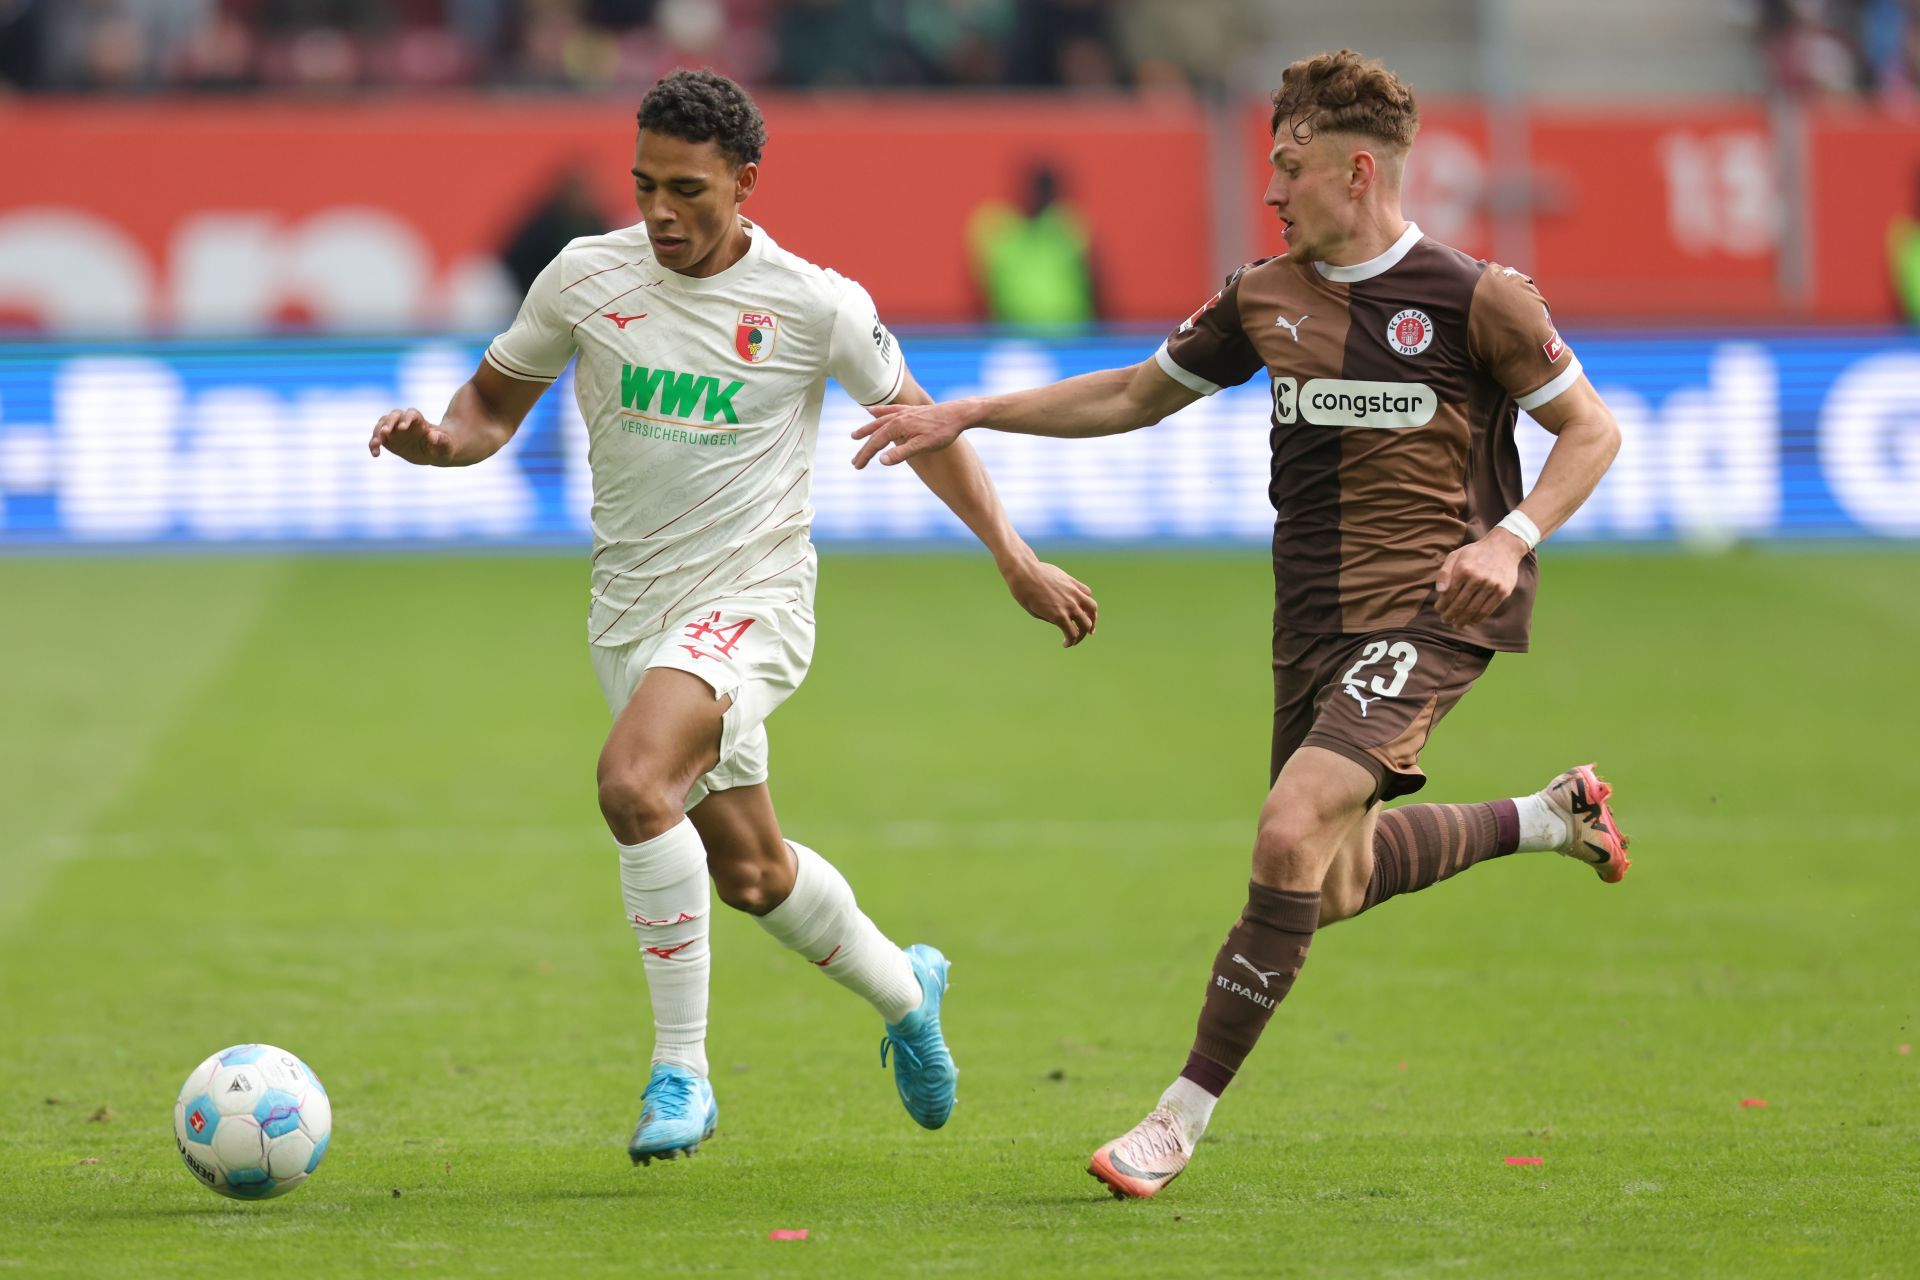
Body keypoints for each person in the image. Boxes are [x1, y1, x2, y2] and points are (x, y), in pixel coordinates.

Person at [851, 49, 1629, 1199]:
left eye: (1291, 167)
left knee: (1286, 828)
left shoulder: (1481, 298)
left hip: (1431, 607)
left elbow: (1595, 432)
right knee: (1334, 877)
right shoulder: (1263, 294)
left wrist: (1509, 535)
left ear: (1357, 171)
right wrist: (969, 409)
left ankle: (1175, 1118)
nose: (1272, 189)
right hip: (1309, 619)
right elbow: (1130, 392)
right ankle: (1548, 817)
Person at [370, 69, 1097, 1165]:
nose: (661, 212)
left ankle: (683, 1071)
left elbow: (925, 426)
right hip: (631, 611)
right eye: (645, 185)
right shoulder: (584, 274)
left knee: (630, 783)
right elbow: (489, 405)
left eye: (690, 190)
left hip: (751, 604)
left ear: (746, 183)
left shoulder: (815, 305)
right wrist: (442, 442)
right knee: (750, 871)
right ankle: (909, 990)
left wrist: (1014, 556)